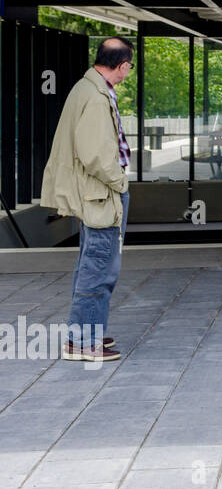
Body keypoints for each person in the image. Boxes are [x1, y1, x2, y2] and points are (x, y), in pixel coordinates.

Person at [41, 37, 134, 362]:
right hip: (99, 195)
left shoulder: (87, 88)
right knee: (99, 268)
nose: (129, 72)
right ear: (122, 65)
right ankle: (81, 342)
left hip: (94, 193)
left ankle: (86, 334)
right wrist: (120, 182)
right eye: (130, 67)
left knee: (92, 265)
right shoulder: (95, 97)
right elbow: (96, 155)